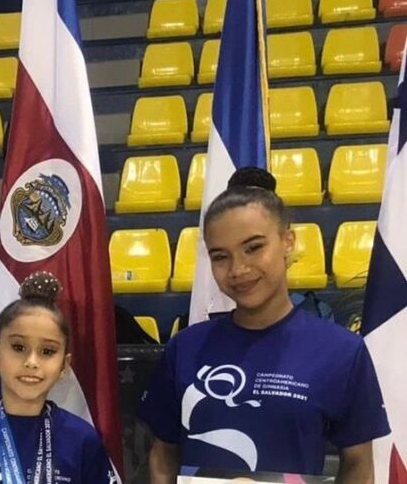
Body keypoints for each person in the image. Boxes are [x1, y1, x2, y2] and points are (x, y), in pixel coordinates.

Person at [138, 167, 390, 483]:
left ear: (288, 241)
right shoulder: (185, 348)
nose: (238, 269)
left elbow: (359, 465)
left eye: (253, 247)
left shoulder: (342, 351)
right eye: (220, 256)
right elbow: (163, 456)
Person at [0, 271, 117, 483]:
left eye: (47, 351)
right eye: (18, 347)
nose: (32, 362)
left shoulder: (82, 440)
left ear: (64, 366)